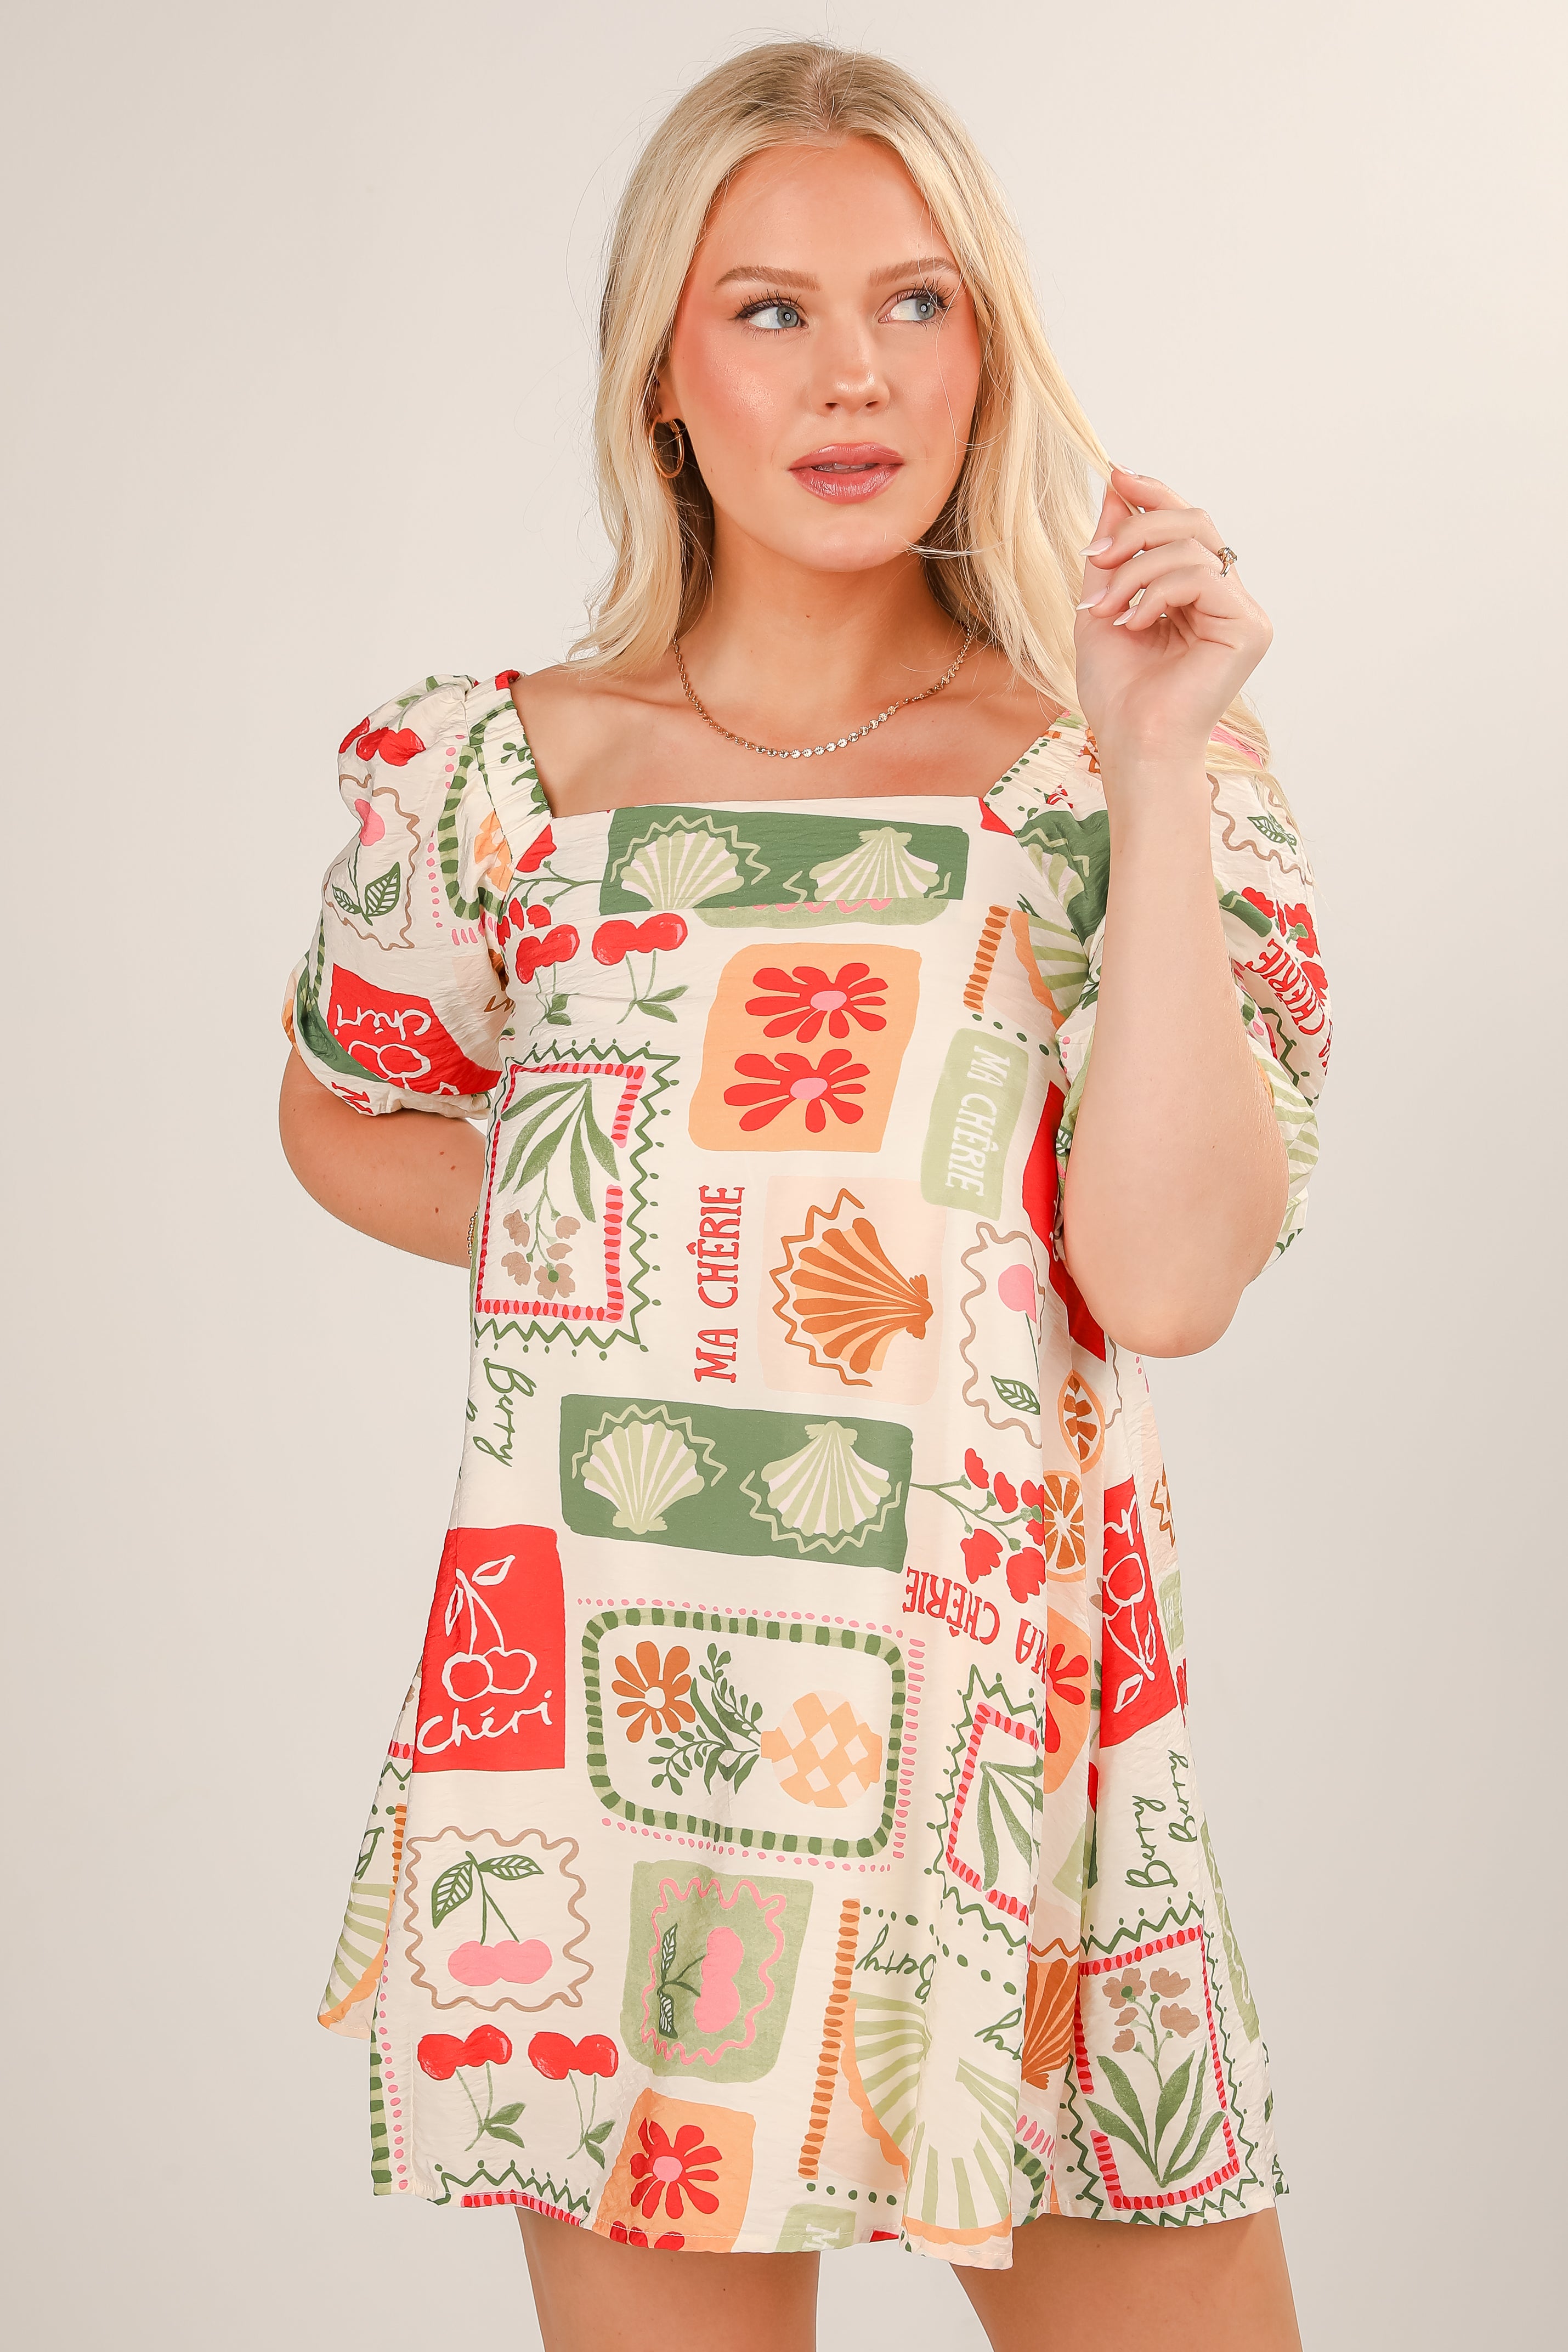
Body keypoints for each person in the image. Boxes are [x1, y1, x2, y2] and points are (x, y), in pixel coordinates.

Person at [279, 38, 1326, 2352]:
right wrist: (607, 1222)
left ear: (990, 344)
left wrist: (1150, 767)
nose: (854, 373)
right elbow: (346, 1101)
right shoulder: (500, 780)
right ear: (663, 370)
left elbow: (1161, 1273)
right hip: (618, 1754)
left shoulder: (1116, 771)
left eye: (917, 302)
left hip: (1017, 1779)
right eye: (768, 309)